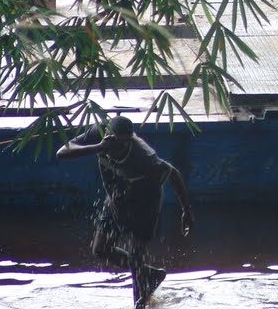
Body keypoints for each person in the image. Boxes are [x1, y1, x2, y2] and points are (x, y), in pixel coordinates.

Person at [57, 115, 194, 309]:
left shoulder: (143, 156)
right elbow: (62, 152)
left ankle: (139, 303)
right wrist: (98, 148)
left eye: (125, 144)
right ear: (108, 137)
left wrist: (186, 211)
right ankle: (150, 274)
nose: (120, 148)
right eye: (116, 143)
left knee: (136, 255)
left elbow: (173, 173)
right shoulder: (99, 133)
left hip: (146, 202)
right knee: (101, 249)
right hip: (117, 197)